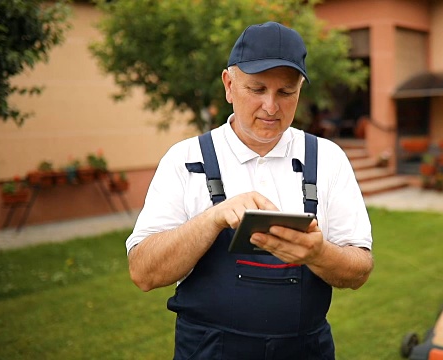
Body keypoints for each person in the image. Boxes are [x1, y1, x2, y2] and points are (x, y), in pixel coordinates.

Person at [125, 21, 374, 360]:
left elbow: (359, 270)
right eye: (257, 89)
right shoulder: (186, 159)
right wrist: (212, 218)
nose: (271, 107)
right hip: (209, 351)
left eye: (286, 92)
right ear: (229, 84)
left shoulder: (328, 159)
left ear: (300, 89)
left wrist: (318, 254)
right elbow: (143, 272)